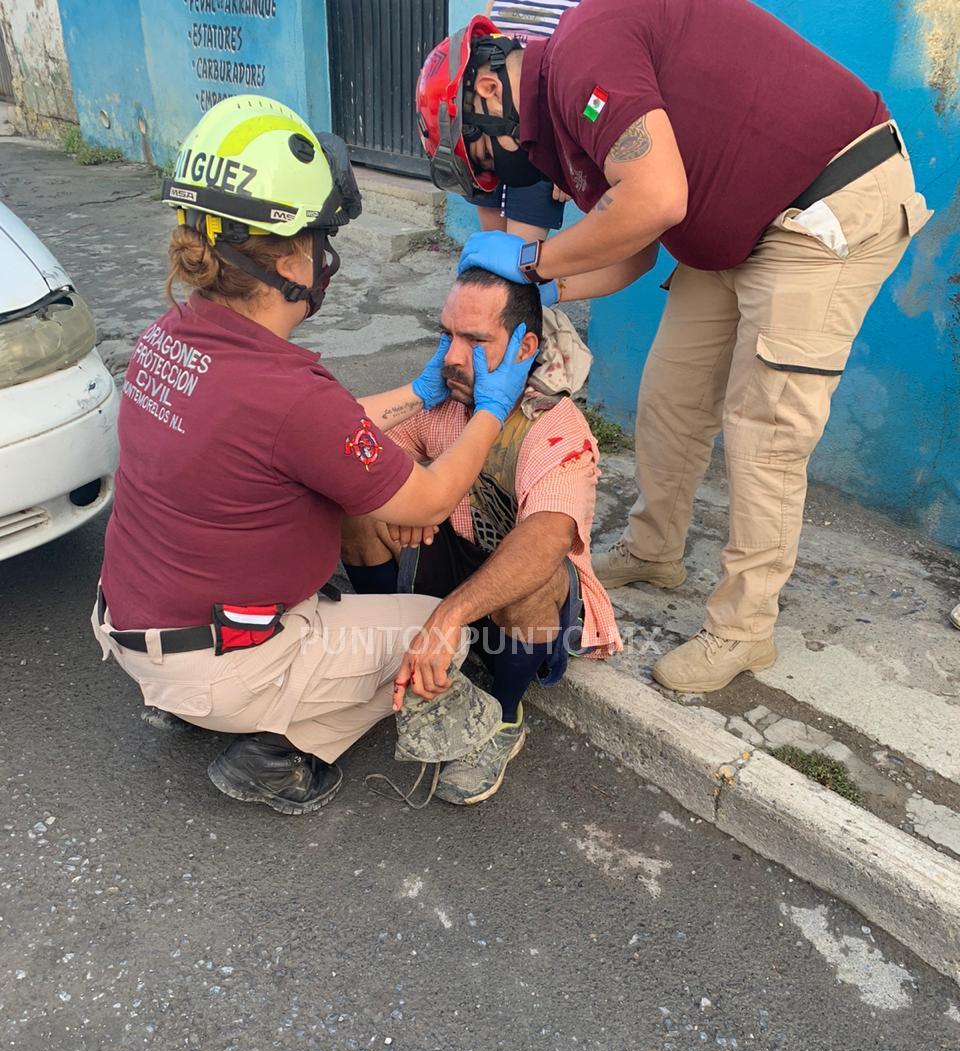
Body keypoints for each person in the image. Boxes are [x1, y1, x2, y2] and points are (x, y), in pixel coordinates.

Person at [416, 3, 933, 694]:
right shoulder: (560, 133)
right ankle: (656, 551)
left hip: (827, 200)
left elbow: (655, 198)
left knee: (766, 426)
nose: (496, 174)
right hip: (737, 227)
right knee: (672, 396)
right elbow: (630, 252)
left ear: (486, 93)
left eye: (481, 157)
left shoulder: (580, 55)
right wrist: (524, 303)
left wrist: (534, 260)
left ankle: (746, 629)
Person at [92, 94, 535, 815]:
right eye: (324, 240)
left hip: (133, 626)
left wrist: (422, 393)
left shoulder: (168, 337)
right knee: (444, 639)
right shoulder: (289, 394)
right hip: (226, 659)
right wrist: (489, 406)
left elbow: (315, 436)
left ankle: (197, 701)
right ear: (294, 255)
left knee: (345, 524)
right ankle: (276, 748)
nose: (328, 259)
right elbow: (424, 499)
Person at [341, 266, 620, 803]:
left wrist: (448, 617)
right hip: (454, 554)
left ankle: (505, 719)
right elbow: (339, 443)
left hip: (522, 600)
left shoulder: (554, 426)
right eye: (446, 335)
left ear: (524, 347)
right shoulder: (445, 401)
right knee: (362, 501)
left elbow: (547, 537)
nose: (451, 356)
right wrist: (410, 475)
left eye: (474, 340)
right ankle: (396, 651)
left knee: (534, 572)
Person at [464, 2, 580, 241]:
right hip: (490, 128)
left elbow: (577, 84)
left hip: (543, 141)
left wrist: (569, 159)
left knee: (522, 254)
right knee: (493, 243)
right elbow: (479, 46)